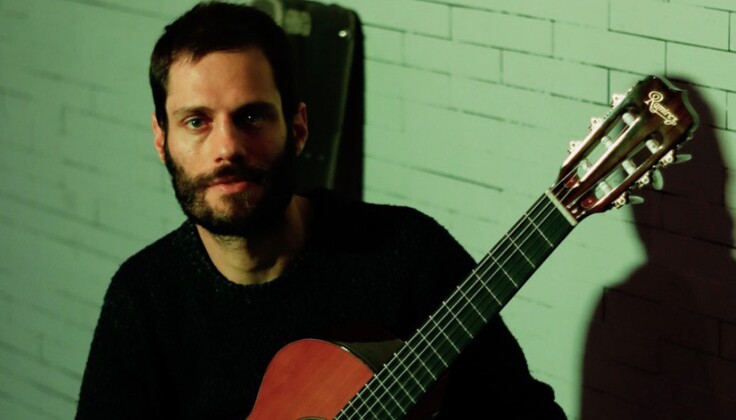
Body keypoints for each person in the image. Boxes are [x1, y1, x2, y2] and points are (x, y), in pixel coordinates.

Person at [75, 1, 567, 419]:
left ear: (298, 128)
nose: (226, 148)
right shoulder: (145, 299)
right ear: (162, 140)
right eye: (196, 121)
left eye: (251, 116)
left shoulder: (407, 256)